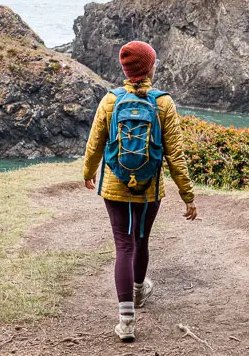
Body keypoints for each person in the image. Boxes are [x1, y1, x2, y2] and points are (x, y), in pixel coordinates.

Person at [83, 40, 198, 343]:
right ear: (150, 67)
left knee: (123, 245)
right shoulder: (163, 103)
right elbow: (176, 155)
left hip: (115, 185)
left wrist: (87, 172)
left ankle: (126, 321)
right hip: (149, 189)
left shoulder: (110, 100)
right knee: (141, 240)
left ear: (125, 69)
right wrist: (188, 195)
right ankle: (138, 291)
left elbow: (94, 143)